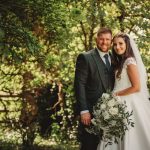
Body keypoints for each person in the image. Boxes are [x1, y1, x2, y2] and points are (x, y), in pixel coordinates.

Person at [97, 33, 150, 150]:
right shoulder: (121, 61)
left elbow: (136, 87)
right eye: (115, 44)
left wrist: (115, 95)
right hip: (117, 102)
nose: (117, 47)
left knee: (129, 135)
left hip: (128, 102)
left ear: (127, 45)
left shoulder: (130, 61)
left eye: (121, 43)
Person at [74, 27, 115, 150]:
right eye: (101, 39)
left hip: (112, 113)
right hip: (90, 113)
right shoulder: (86, 57)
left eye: (107, 39)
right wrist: (84, 110)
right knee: (89, 145)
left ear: (111, 41)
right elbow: (79, 85)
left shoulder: (115, 58)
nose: (104, 42)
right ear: (96, 39)